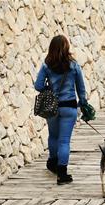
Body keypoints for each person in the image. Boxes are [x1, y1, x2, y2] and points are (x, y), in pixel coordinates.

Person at [34, 34, 89, 185]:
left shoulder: (47, 65)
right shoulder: (74, 65)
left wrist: (49, 89)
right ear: (67, 47)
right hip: (69, 107)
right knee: (64, 140)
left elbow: (38, 86)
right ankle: (62, 174)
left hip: (52, 107)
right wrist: (83, 103)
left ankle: (53, 162)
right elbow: (81, 88)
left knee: (53, 136)